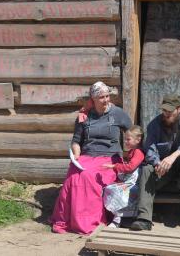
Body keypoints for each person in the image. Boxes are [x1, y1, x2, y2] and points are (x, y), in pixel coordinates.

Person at [51, 81, 132, 234]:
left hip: (110, 157)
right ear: (93, 99)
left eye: (108, 96)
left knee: (89, 178)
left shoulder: (118, 113)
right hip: (87, 156)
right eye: (102, 97)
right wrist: (76, 155)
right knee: (73, 177)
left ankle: (89, 222)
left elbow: (133, 132)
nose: (106, 100)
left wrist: (131, 152)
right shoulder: (84, 116)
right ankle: (67, 221)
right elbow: (76, 141)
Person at [130, 93, 180, 231]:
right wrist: (157, 163)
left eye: (170, 110)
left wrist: (174, 155)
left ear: (179, 109)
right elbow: (150, 148)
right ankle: (144, 219)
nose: (166, 113)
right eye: (164, 110)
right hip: (165, 169)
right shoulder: (155, 124)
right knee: (146, 169)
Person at [102, 125, 145, 228]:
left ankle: (118, 219)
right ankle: (119, 217)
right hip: (129, 181)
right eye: (125, 139)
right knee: (109, 188)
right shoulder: (131, 152)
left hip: (134, 183)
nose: (125, 141)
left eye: (128, 139)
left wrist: (114, 166)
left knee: (115, 191)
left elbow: (130, 167)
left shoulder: (138, 152)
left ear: (138, 140)